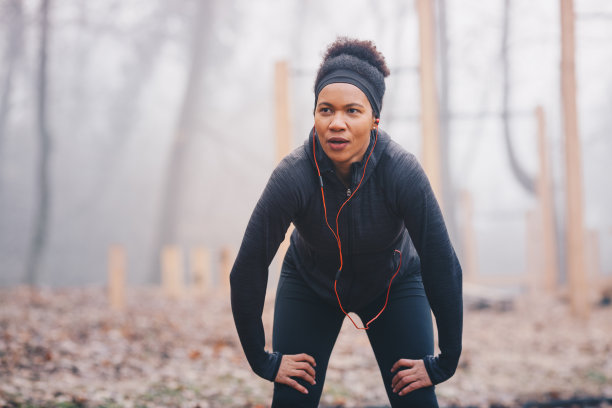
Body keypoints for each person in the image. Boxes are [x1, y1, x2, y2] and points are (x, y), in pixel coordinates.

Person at [230, 37, 462, 407]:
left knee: (417, 399)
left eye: (352, 111)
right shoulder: (293, 176)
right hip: (310, 286)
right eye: (326, 110)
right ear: (316, 115)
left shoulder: (401, 172)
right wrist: (261, 359)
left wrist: (445, 361)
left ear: (375, 119)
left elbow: (441, 262)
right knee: (292, 400)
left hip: (394, 285)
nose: (336, 123)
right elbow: (248, 267)